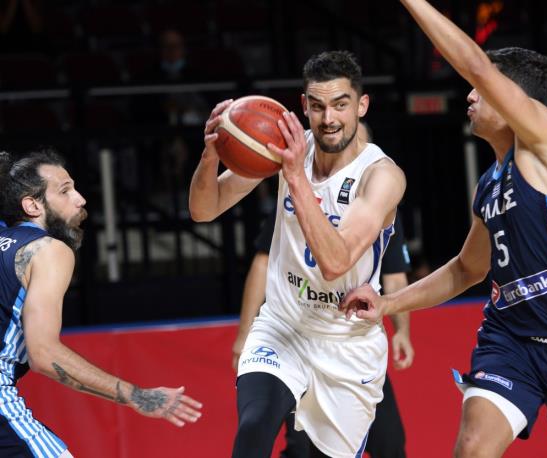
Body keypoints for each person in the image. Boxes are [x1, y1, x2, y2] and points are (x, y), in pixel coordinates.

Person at [341, 2, 547, 457]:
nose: (471, 95)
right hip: (511, 338)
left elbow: (475, 63)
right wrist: (388, 304)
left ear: (514, 100)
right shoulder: (490, 184)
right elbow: (466, 270)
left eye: (482, 88)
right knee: (473, 447)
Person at [189, 50, 406, 458]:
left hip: (346, 343)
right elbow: (204, 209)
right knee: (254, 427)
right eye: (318, 106)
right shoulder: (287, 150)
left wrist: (294, 177)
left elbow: (336, 262)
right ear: (304, 105)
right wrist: (212, 154)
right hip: (284, 326)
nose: (329, 118)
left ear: (362, 105)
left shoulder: (381, 176)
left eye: (340, 104)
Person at [0, 150, 202, 457]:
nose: (80, 199)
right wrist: (137, 396)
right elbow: (43, 354)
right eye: (65, 191)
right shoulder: (46, 249)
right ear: (32, 205)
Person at [232, 210, 414, 458]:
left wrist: (402, 330)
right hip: (296, 336)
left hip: (350, 344)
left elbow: (395, 274)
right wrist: (244, 333)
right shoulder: (298, 196)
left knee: (390, 442)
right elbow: (263, 261)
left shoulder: (379, 198)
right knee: (283, 437)